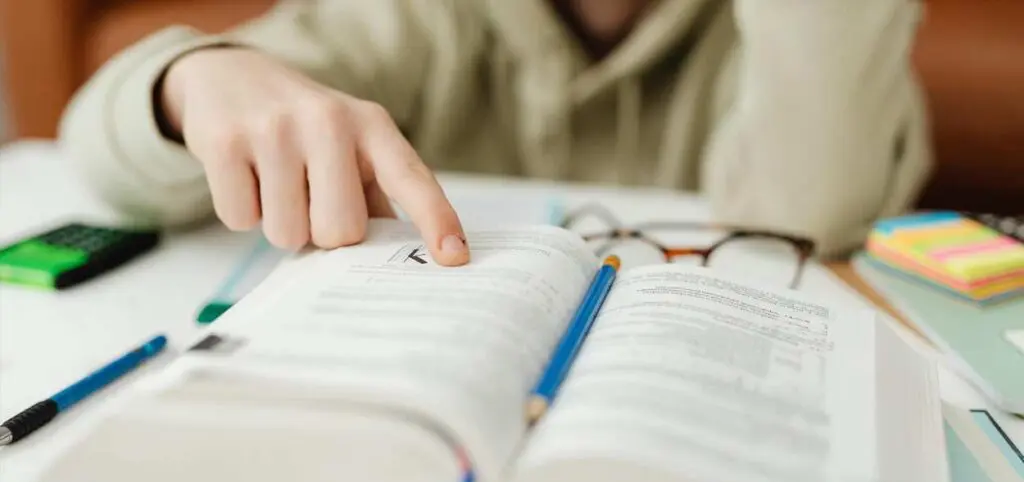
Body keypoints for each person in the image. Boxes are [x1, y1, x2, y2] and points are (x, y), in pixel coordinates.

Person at [58, 0, 931, 266]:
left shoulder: (799, 28)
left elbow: (811, 217)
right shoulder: (416, 15)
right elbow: (96, 145)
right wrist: (189, 82)